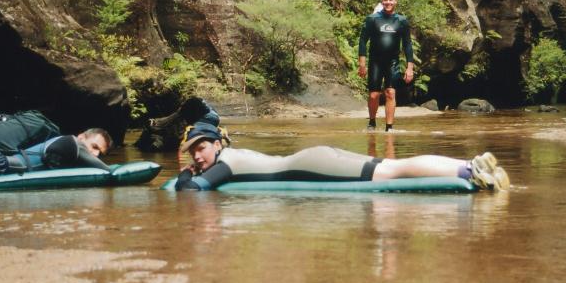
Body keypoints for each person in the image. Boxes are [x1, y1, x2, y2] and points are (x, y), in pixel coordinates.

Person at [174, 121, 510, 192]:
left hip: (311, 166)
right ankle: (468, 166)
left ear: (218, 144)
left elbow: (193, 191)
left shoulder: (230, 161)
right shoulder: (235, 155)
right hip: (314, 159)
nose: (199, 156)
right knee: (391, 166)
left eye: (202, 148)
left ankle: (468, 170)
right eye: (193, 151)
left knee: (391, 172)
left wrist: (185, 173)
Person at [358, 0, 414, 132]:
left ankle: (389, 127)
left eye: (391, 0)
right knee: (374, 94)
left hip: (392, 62)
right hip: (375, 61)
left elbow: (407, 44)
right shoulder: (372, 19)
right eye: (385, 0)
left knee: (390, 92)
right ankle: (372, 122)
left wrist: (409, 68)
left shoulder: (402, 21)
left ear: (395, 2)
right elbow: (363, 41)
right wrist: (362, 64)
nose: (388, 2)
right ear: (382, 1)